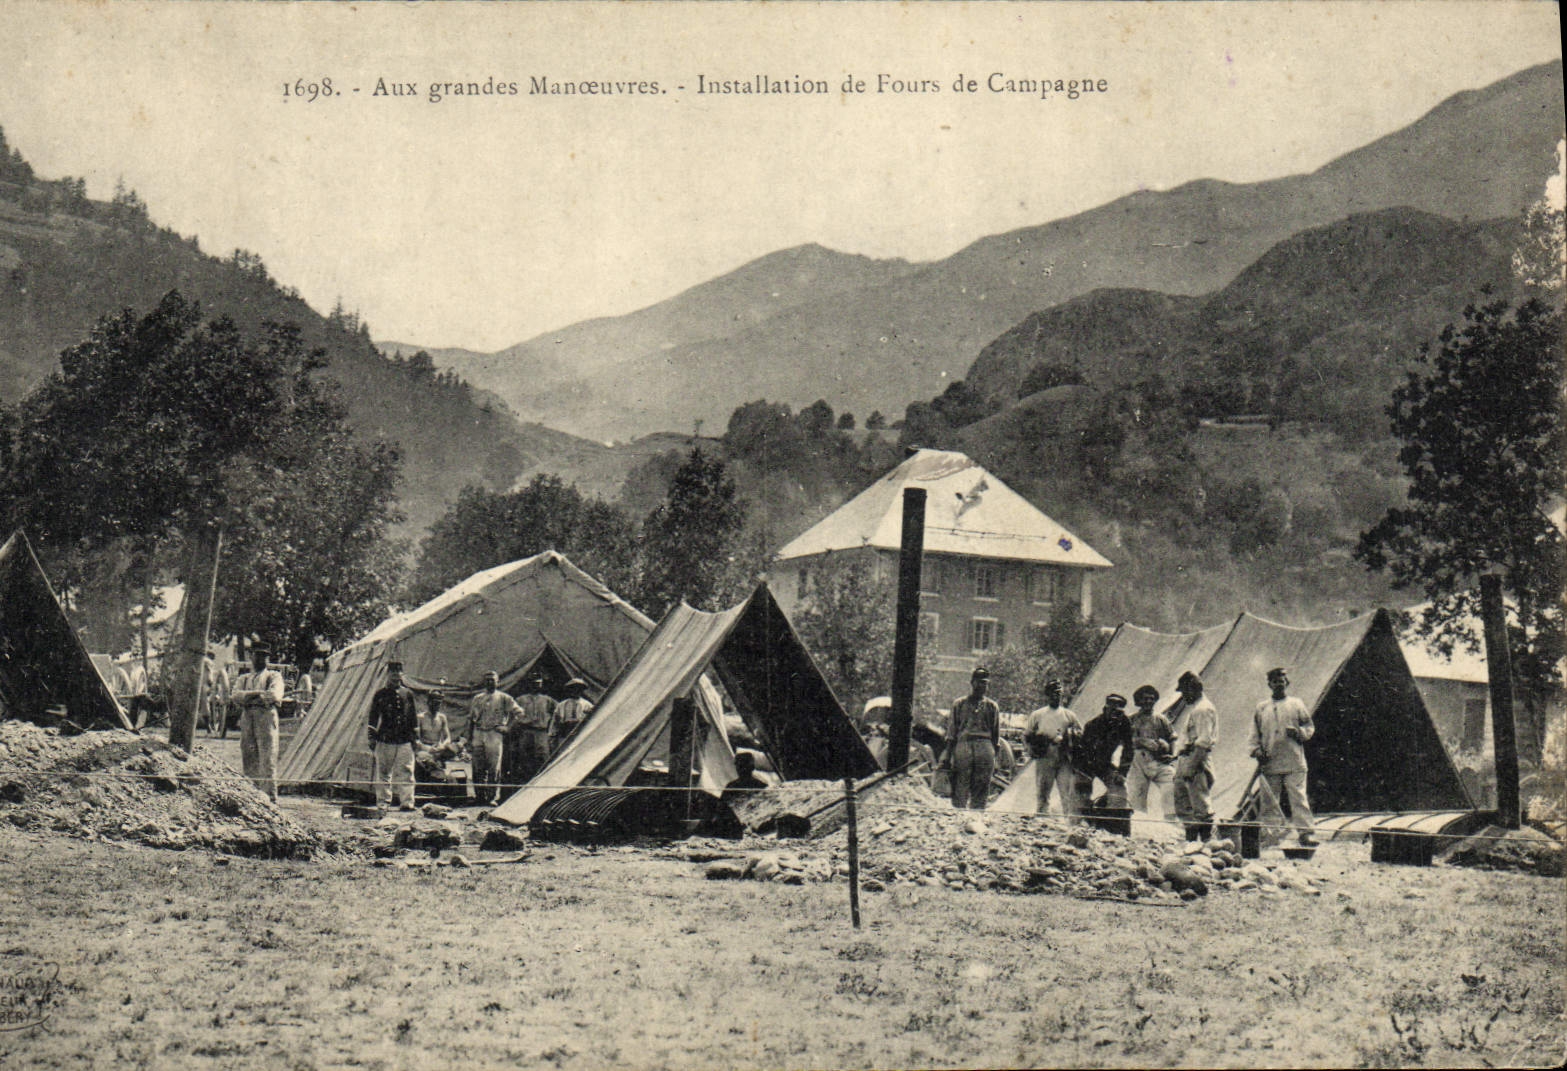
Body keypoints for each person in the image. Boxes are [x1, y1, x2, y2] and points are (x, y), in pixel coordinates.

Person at [1250, 667, 1319, 847]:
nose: (1278, 684)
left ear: (1287, 683)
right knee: (1270, 800)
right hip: (1270, 761)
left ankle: (1306, 833)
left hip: (1293, 760)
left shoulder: (1296, 704)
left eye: (1281, 681)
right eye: (1275, 682)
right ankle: (1271, 834)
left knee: (1298, 797)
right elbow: (1254, 734)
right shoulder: (1262, 708)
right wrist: (1257, 751)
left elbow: (1309, 727)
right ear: (1269, 685)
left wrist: (1298, 733)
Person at [231, 645, 286, 801]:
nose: (261, 659)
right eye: (258, 655)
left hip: (265, 716)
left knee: (267, 756)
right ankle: (252, 795)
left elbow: (274, 695)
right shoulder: (244, 678)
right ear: (251, 656)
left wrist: (248, 697)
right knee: (248, 755)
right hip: (247, 716)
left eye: (264, 656)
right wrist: (258, 694)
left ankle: (270, 797)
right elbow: (235, 696)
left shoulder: (274, 676)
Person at [1024, 678, 1083, 822]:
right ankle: (1042, 819)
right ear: (1047, 695)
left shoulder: (1069, 715)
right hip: (1045, 755)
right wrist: (1032, 750)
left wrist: (1071, 737)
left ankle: (1069, 820)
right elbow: (1027, 736)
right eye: (1052, 693)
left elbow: (1079, 734)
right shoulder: (1038, 715)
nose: (1056, 696)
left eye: (1058, 693)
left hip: (1064, 756)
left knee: (1067, 790)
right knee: (1043, 789)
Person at [1172, 670, 1218, 842]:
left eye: (1184, 691)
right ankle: (1191, 842)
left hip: (1196, 759)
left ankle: (1206, 843)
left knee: (1200, 805)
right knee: (1185, 805)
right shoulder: (1196, 709)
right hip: (1188, 758)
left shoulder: (1203, 709)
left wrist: (1191, 766)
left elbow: (1204, 741)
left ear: (1193, 689)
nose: (1183, 696)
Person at [367, 660, 419, 811]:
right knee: (383, 772)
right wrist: (371, 737)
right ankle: (383, 802)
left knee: (406, 772)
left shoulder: (408, 694)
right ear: (388, 674)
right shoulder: (380, 694)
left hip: (404, 739)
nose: (396, 676)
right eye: (393, 673)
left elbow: (413, 717)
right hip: (385, 739)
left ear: (402, 674)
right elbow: (373, 717)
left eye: (398, 673)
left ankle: (407, 802)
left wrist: (415, 738)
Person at [946, 667, 1000, 810]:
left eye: (985, 683)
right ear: (972, 682)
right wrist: (947, 756)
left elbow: (996, 734)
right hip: (964, 744)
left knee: (982, 782)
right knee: (960, 781)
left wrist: (995, 758)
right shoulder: (959, 704)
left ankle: (977, 814)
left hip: (984, 745)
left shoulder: (992, 706)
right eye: (979, 682)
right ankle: (959, 812)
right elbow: (952, 732)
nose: (982, 686)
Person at [467, 671, 522, 805]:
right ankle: (479, 796)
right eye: (487, 680)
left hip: (494, 733)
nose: (490, 682)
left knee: (493, 766)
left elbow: (518, 713)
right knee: (477, 766)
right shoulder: (478, 698)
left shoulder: (504, 697)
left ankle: (491, 797)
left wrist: (507, 727)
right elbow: (471, 719)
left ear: (498, 682)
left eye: (492, 680)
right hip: (479, 732)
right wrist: (469, 737)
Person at [1126, 684, 1178, 826]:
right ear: (1139, 701)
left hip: (1158, 761)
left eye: (1151, 698)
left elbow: (1173, 738)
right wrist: (1142, 741)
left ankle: (1171, 822)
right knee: (1136, 795)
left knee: (1171, 785)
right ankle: (1138, 826)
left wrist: (1171, 754)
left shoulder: (1161, 719)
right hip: (1138, 761)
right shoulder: (1131, 720)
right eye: (1145, 699)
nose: (1148, 701)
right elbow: (1123, 740)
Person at [1072, 693, 1133, 811]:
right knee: (1081, 791)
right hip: (1086, 763)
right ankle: (1080, 817)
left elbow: (1129, 749)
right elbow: (1082, 750)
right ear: (1105, 709)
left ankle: (1112, 815)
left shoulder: (1124, 723)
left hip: (1105, 763)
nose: (1115, 715)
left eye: (1118, 712)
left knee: (1119, 788)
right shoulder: (1093, 724)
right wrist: (1080, 771)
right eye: (1112, 710)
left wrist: (1122, 772)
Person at [510, 672, 556, 783]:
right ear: (529, 684)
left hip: (541, 732)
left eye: (538, 683)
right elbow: (512, 716)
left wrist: (551, 729)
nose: (536, 686)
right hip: (526, 732)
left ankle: (542, 782)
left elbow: (557, 713)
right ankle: (527, 783)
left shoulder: (548, 700)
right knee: (525, 758)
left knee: (543, 757)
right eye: (533, 683)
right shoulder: (521, 700)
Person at [415, 689, 456, 784]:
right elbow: (416, 739)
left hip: (438, 749)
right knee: (423, 759)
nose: (437, 706)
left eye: (439, 703)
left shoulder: (442, 717)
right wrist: (427, 748)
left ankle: (441, 776)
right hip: (424, 749)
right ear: (428, 702)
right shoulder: (420, 717)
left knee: (454, 749)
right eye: (434, 702)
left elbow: (448, 738)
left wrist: (442, 746)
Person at [548, 678, 595, 757]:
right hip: (565, 735)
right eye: (573, 688)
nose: (575, 691)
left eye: (578, 689)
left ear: (582, 690)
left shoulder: (587, 705)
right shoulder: (562, 705)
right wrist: (552, 736)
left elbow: (592, 720)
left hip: (580, 734)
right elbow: (555, 722)